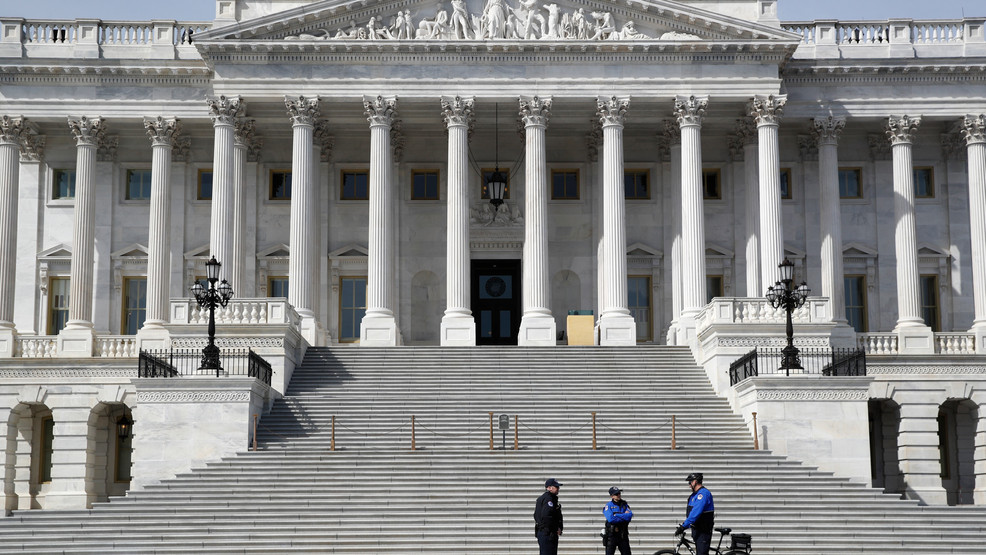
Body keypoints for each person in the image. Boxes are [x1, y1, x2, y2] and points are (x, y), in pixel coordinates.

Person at [676, 473, 715, 555]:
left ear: (695, 482)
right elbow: (691, 514)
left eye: (690, 482)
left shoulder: (703, 494)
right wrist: (685, 525)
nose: (689, 485)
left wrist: (684, 526)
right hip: (697, 530)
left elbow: (695, 513)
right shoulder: (694, 495)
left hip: (703, 531)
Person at [534, 478, 564, 555]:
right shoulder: (549, 499)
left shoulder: (544, 498)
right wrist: (556, 528)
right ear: (549, 488)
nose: (558, 489)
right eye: (556, 487)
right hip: (548, 533)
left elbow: (535, 515)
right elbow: (547, 516)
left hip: (545, 532)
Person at [603, 486, 632, 555]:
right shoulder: (608, 505)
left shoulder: (625, 504)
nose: (619, 495)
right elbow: (611, 519)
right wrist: (623, 516)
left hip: (623, 535)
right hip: (611, 535)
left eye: (619, 493)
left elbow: (629, 517)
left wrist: (616, 515)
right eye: (616, 494)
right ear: (612, 496)